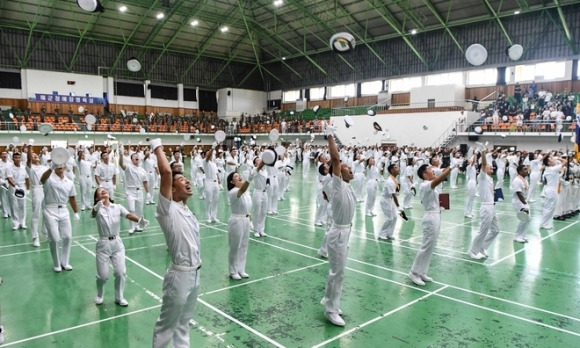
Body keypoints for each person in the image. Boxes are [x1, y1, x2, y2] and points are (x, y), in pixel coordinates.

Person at [150, 138, 202, 348]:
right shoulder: (167, 210)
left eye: (186, 178)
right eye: (181, 180)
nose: (187, 181)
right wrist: (157, 145)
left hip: (195, 273)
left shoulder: (187, 210)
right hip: (179, 275)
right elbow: (166, 173)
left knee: (183, 324)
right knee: (167, 326)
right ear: (171, 189)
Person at [320, 133, 355, 327]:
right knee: (337, 272)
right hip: (338, 233)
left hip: (345, 231)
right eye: (345, 168)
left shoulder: (348, 187)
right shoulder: (337, 185)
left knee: (337, 270)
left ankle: (328, 299)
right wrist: (331, 137)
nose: (349, 169)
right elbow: (335, 159)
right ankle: (331, 310)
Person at [92, 187, 148, 306]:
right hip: (103, 244)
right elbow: (93, 214)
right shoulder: (97, 209)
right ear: (97, 197)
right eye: (100, 191)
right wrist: (96, 207)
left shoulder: (117, 207)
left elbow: (128, 215)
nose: (103, 191)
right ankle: (99, 294)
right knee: (103, 276)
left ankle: (119, 297)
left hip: (117, 243)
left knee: (120, 272)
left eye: (105, 190)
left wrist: (140, 221)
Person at [408, 161, 453, 286]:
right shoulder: (425, 185)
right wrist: (451, 167)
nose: (433, 171)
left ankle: (422, 271)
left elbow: (439, 176)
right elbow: (438, 179)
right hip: (430, 217)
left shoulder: (431, 185)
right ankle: (414, 272)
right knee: (426, 246)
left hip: (436, 215)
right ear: (424, 173)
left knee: (431, 246)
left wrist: (445, 169)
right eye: (430, 169)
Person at [227, 160, 264, 279]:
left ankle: (241, 269)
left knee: (244, 246)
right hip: (236, 221)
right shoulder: (233, 192)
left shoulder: (246, 192)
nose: (239, 177)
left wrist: (262, 162)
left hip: (246, 220)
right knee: (235, 246)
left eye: (239, 175)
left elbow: (247, 210)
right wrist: (250, 178)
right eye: (236, 177)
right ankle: (233, 271)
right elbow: (242, 189)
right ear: (232, 182)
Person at [40, 162, 80, 272]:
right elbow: (42, 179)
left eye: (61, 165)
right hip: (50, 209)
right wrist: (50, 169)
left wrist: (76, 212)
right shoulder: (49, 178)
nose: (59, 167)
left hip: (64, 210)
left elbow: (72, 198)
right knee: (55, 239)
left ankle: (65, 262)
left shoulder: (69, 182)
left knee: (67, 237)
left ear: (65, 167)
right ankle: (57, 264)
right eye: (56, 165)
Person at [467, 149, 500, 259]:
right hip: (486, 207)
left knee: (496, 230)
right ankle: (472, 251)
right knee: (483, 231)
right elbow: (484, 163)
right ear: (483, 168)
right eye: (489, 166)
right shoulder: (482, 177)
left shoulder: (490, 179)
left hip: (492, 206)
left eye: (492, 166)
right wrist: (483, 153)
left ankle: (482, 247)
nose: (492, 167)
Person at [119, 148, 151, 234]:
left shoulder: (142, 170)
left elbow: (145, 182)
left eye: (137, 156)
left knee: (139, 210)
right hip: (130, 192)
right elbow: (121, 164)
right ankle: (131, 227)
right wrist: (121, 154)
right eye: (134, 156)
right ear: (131, 159)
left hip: (139, 191)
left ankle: (137, 226)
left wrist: (148, 192)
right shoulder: (129, 167)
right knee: (131, 210)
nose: (136, 157)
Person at [26, 150, 49, 247]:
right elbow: (28, 159)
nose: (34, 156)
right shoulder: (30, 168)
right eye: (33, 155)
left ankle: (45, 232)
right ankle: (35, 237)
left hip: (46, 189)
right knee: (36, 214)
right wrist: (30, 146)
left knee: (47, 213)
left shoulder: (44, 167)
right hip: (37, 189)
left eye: (36, 154)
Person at [539, 153, 566, 229]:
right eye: (551, 160)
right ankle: (543, 223)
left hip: (551, 189)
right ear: (548, 163)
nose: (553, 160)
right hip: (551, 190)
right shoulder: (552, 169)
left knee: (550, 207)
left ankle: (545, 223)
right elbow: (565, 161)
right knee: (549, 208)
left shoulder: (549, 169)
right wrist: (558, 158)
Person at [6, 152, 29, 230]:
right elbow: (9, 179)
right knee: (14, 206)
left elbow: (27, 178)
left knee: (22, 206)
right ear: (13, 159)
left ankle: (23, 223)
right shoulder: (9, 168)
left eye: (19, 157)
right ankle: (16, 223)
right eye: (16, 158)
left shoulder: (24, 167)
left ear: (21, 159)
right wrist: (15, 186)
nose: (18, 159)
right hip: (13, 188)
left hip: (22, 187)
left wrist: (28, 189)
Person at [378, 163, 401, 240]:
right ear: (392, 170)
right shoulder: (390, 181)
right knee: (389, 218)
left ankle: (389, 233)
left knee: (394, 217)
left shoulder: (394, 179)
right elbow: (394, 196)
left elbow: (395, 193)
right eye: (396, 168)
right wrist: (398, 206)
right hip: (385, 200)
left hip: (389, 199)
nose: (398, 168)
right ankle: (382, 234)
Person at [512, 165, 531, 242]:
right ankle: (517, 236)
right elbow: (519, 193)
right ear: (520, 172)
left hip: (524, 201)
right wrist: (525, 204)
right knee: (523, 218)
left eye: (527, 169)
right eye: (525, 169)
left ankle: (522, 235)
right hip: (518, 202)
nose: (527, 170)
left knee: (528, 218)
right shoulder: (517, 180)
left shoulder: (524, 180)